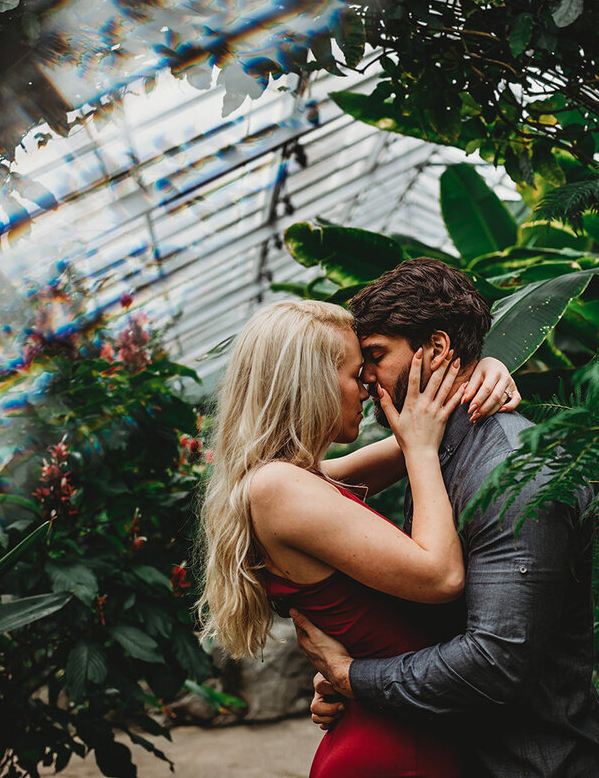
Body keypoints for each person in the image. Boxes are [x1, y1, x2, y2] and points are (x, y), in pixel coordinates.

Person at [289, 258, 599, 776]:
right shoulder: (429, 451)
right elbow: (440, 621)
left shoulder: (512, 473)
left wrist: (356, 677)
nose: (365, 378)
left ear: (437, 349)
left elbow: (496, 662)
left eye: (375, 356)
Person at [194, 298, 519, 778]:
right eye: (354, 375)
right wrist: (425, 453)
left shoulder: (295, 481)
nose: (368, 389)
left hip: (394, 726)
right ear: (312, 386)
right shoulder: (278, 490)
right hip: (399, 749)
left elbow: (423, 425)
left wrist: (479, 371)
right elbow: (442, 576)